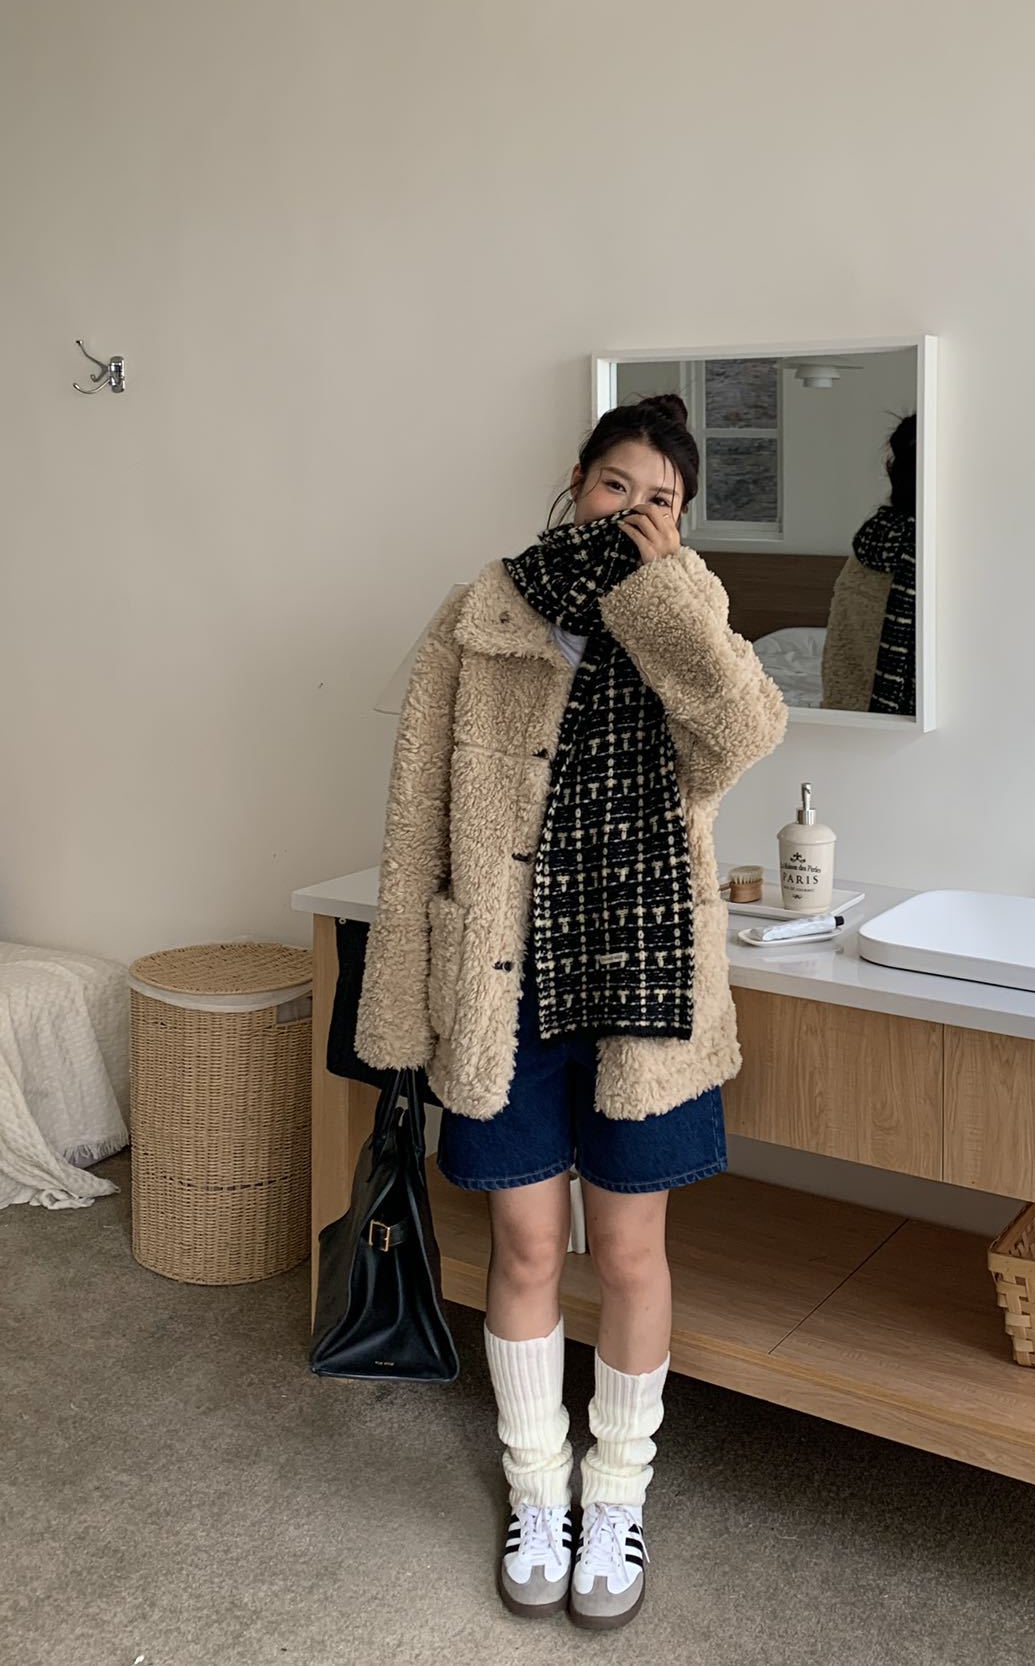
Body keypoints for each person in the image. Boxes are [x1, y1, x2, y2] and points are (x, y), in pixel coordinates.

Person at [354, 394, 787, 1630]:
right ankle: (536, 1487)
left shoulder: (686, 609)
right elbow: (414, 818)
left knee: (633, 1254)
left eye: (661, 499)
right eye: (615, 484)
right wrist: (402, 1002)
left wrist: (663, 597)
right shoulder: (480, 613)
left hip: (643, 983)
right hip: (507, 982)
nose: (632, 511)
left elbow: (742, 735)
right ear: (575, 480)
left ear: (681, 520)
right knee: (529, 1248)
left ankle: (616, 1495)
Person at [820, 411, 916, 714]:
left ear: (891, 468)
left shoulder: (868, 549)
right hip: (911, 729)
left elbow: (839, 653)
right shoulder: (943, 557)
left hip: (847, 718)